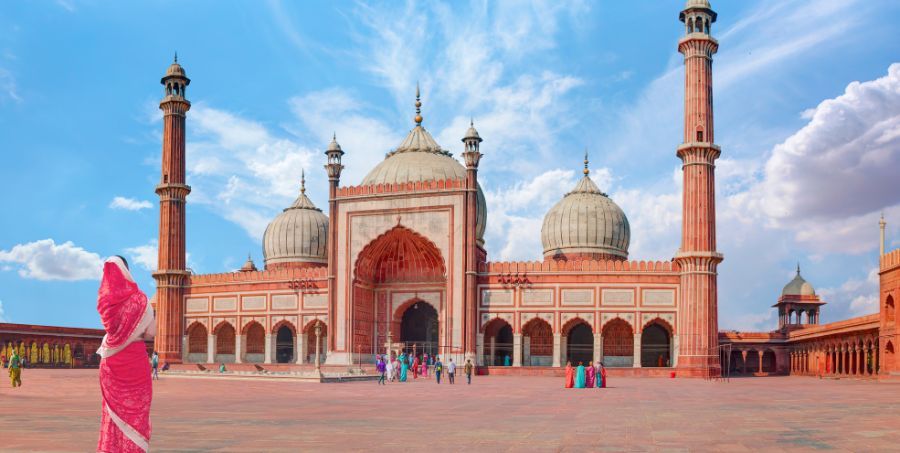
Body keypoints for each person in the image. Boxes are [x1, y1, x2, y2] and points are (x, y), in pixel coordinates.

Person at [96, 256, 155, 452]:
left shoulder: (104, 302)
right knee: (136, 413)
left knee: (112, 413)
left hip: (111, 362)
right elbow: (151, 332)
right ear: (127, 272)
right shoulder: (141, 300)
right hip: (135, 361)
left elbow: (110, 328)